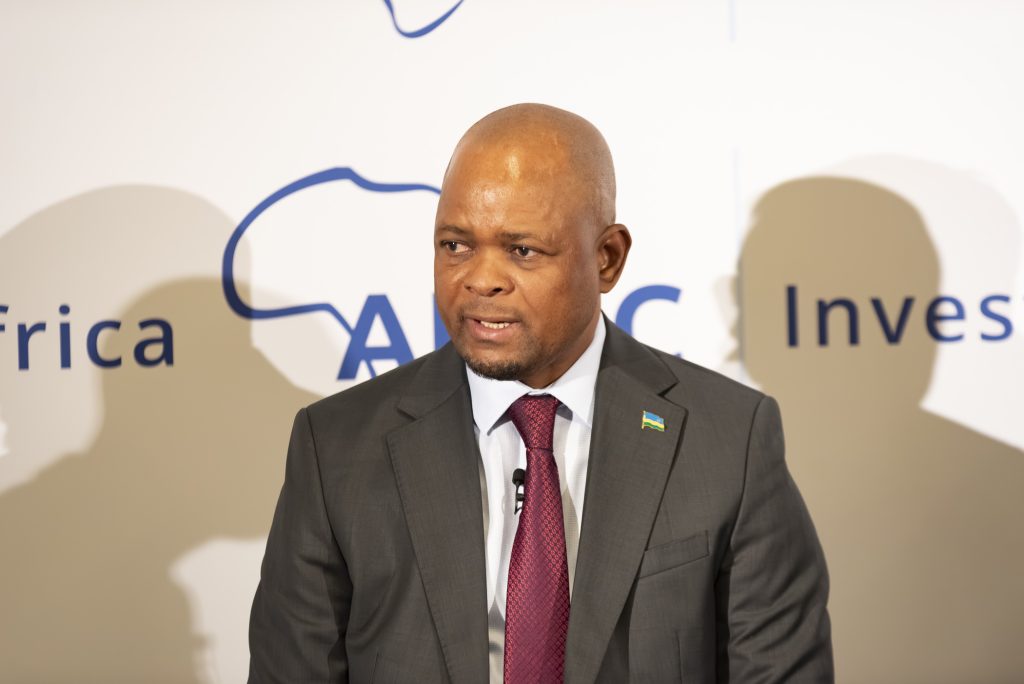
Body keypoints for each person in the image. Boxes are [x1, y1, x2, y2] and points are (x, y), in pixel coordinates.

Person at [248, 103, 833, 683]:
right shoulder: (337, 447)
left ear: (607, 259)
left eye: (522, 250)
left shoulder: (729, 441)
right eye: (455, 245)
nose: (480, 280)